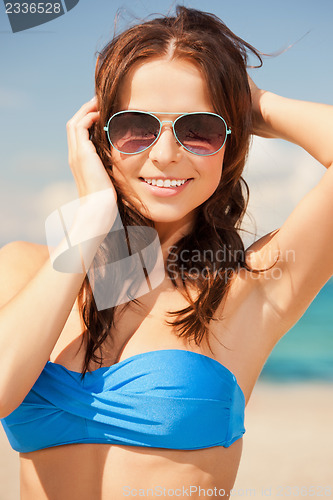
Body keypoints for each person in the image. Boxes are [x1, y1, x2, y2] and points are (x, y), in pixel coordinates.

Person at [0, 5, 332, 499]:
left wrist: (252, 103)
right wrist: (91, 220)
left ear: (231, 141)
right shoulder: (26, 266)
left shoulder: (250, 287)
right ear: (100, 139)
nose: (165, 153)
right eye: (137, 125)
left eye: (199, 128)